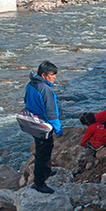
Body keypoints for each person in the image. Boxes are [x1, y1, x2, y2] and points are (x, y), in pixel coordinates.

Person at [25, 61, 63, 194]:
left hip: (34, 122)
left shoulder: (31, 84)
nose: (54, 77)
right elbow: (51, 113)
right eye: (52, 74)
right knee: (43, 153)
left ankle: (47, 171)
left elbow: (26, 101)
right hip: (43, 125)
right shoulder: (45, 90)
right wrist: (58, 129)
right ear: (44, 75)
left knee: (47, 147)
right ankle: (39, 183)